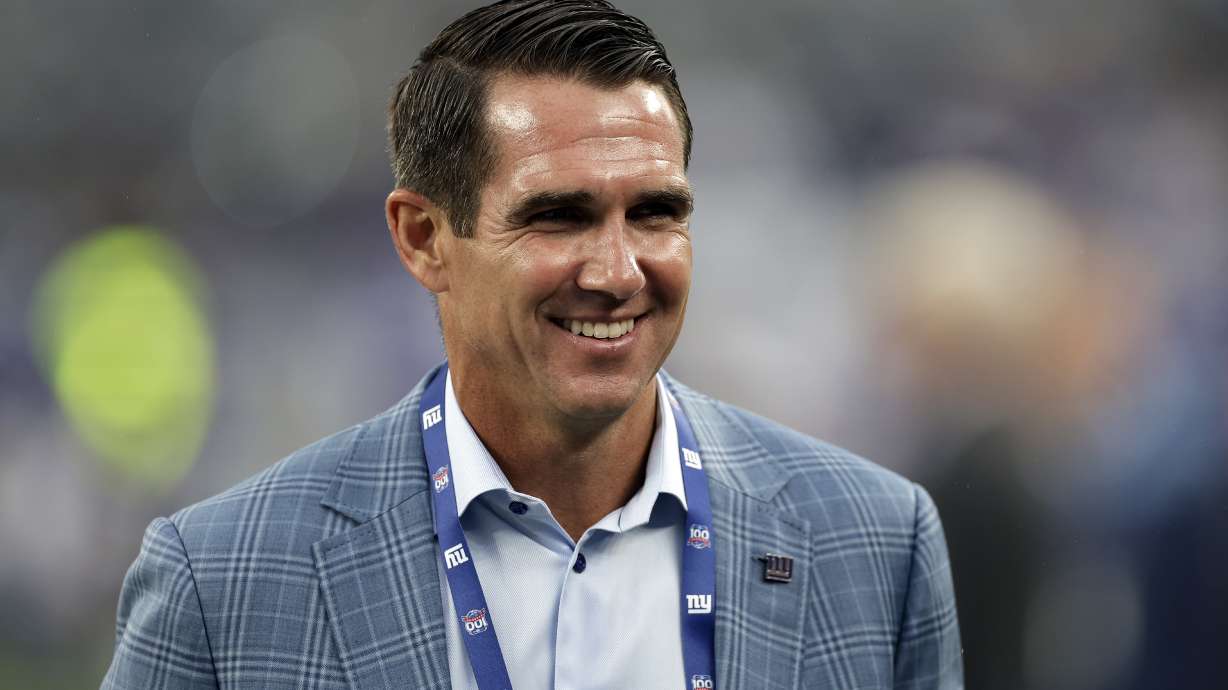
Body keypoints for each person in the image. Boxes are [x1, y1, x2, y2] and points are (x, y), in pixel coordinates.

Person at [102, 1, 962, 688]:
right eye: (559, 215)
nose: (619, 271)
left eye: (656, 212)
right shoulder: (222, 581)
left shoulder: (876, 544)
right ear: (424, 238)